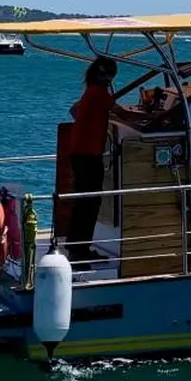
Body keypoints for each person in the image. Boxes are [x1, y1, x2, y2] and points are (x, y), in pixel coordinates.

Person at [59, 57, 122, 265]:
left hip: (80, 154)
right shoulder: (99, 94)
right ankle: (79, 249)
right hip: (89, 156)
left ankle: (76, 246)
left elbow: (74, 111)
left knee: (84, 202)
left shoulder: (90, 92)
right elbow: (122, 114)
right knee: (90, 203)